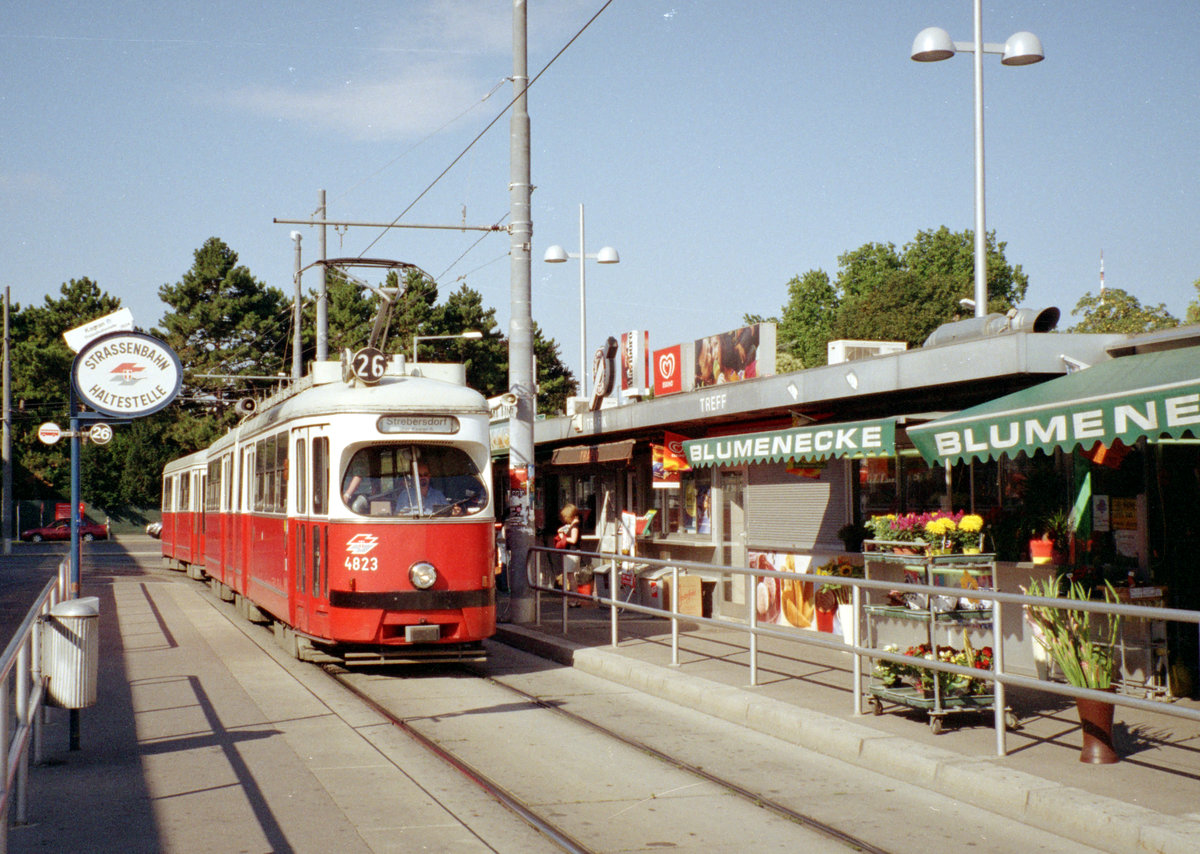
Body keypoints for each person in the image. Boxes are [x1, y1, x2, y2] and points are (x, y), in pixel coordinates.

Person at [557, 504, 582, 601]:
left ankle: (575, 599)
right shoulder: (574, 525)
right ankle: (574, 599)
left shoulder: (575, 526)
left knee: (571, 576)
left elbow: (573, 539)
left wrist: (563, 538)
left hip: (572, 552)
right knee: (570, 576)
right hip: (572, 552)